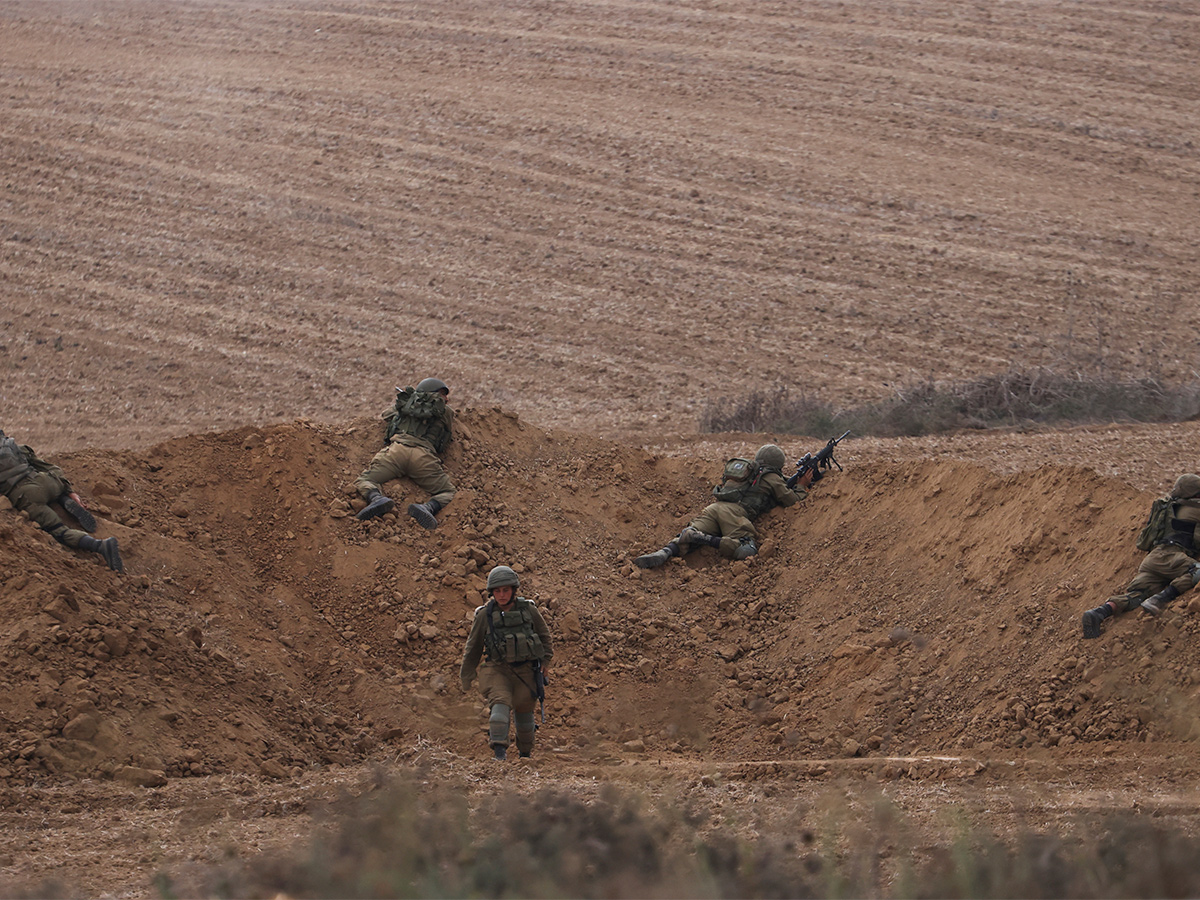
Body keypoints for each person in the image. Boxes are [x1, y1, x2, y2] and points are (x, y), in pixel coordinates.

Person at [634, 443, 815, 569]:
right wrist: (801, 485)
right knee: (746, 549)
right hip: (734, 513)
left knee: (690, 533)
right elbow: (792, 501)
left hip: (714, 508)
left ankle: (665, 552)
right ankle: (707, 539)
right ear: (779, 464)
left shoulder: (748, 473)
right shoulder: (772, 477)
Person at [1082, 473, 1200, 639]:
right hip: (1171, 557)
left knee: (1136, 595)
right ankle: (1160, 598)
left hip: (1152, 559)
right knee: (1197, 571)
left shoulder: (1167, 508)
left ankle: (1099, 612)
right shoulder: (1194, 509)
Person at [460, 565, 553, 761]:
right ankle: (499, 756)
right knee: (499, 714)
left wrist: (545, 661)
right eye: (497, 591)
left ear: (513, 590)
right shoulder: (485, 615)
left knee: (525, 721)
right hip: (497, 671)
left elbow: (545, 637)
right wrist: (466, 675)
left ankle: (524, 756)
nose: (501, 595)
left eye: (505, 590)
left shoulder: (528, 610)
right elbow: (473, 647)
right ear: (492, 592)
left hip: (526, 672)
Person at [1, 427, 123, 572]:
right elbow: (49, 466)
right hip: (47, 481)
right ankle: (65, 500)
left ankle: (101, 545)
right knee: (51, 487)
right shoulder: (14, 447)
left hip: (28, 496)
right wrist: (70, 491)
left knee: (59, 531)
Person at [354, 376, 456, 529]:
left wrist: (412, 402)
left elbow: (385, 415)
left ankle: (376, 499)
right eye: (443, 395)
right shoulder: (446, 412)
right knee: (448, 492)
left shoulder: (407, 404)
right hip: (423, 458)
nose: (446, 399)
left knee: (365, 480)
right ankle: (427, 508)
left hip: (396, 451)